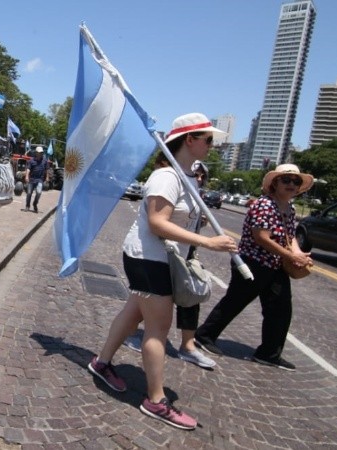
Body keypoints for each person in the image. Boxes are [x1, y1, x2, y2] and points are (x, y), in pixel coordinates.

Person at [87, 113, 237, 430]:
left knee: (133, 313)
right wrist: (208, 243)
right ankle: (155, 401)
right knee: (158, 328)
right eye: (208, 139)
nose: (212, 145)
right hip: (148, 258)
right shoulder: (167, 177)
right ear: (190, 140)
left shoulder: (185, 176)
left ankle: (101, 363)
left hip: (157, 259)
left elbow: (175, 220)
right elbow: (157, 224)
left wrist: (203, 226)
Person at [194, 164, 314, 371]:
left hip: (275, 265)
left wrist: (298, 253)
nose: (291, 185)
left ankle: (269, 353)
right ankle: (204, 336)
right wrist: (289, 254)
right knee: (235, 301)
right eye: (286, 180)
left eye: (296, 182)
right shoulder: (264, 205)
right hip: (253, 262)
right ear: (275, 183)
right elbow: (261, 238)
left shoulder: (290, 209)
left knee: (281, 309)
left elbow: (289, 236)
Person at [123, 159, 217, 370]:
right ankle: (124, 345)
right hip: (157, 254)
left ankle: (188, 345)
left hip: (183, 255)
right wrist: (209, 242)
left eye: (203, 176)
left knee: (189, 297)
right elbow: (158, 221)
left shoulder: (195, 194)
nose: (200, 178)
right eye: (197, 174)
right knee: (145, 304)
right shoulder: (168, 182)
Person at [24, 146, 49, 213]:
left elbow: (46, 170)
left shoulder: (45, 161)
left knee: (39, 192)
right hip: (32, 179)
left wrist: (47, 177)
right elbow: (28, 169)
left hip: (40, 179)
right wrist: (26, 176)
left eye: (41, 152)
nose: (41, 154)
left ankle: (35, 204)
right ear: (36, 153)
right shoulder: (31, 161)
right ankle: (27, 206)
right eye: (39, 152)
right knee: (29, 193)